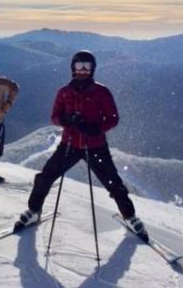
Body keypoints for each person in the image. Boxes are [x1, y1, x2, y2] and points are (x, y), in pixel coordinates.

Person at [16, 50, 146, 236]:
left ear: (93, 69)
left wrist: (96, 128)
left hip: (95, 147)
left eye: (87, 66)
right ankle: (33, 211)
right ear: (73, 68)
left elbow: (113, 118)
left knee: (113, 183)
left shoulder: (102, 92)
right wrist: (66, 121)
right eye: (79, 66)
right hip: (69, 145)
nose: (83, 70)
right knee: (45, 177)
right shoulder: (64, 92)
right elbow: (54, 117)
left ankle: (130, 217)